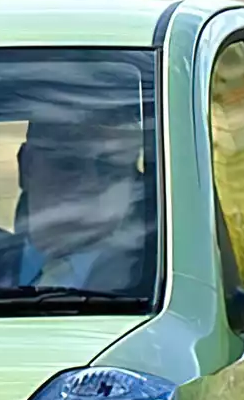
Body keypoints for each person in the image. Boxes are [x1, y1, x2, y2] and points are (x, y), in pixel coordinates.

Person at [13, 120, 149, 293]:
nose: (90, 183)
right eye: (69, 162)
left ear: (132, 180)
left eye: (109, 166)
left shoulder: (152, 278)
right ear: (26, 166)